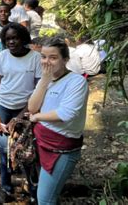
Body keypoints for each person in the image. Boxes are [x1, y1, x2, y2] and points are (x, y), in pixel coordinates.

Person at [28, 37, 89, 205]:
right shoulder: (46, 79)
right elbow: (32, 107)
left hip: (62, 148)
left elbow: (66, 113)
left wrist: (38, 117)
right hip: (42, 142)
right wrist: (44, 81)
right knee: (47, 193)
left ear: (66, 60)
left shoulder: (77, 81)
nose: (47, 62)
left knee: (45, 199)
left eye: (53, 57)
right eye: (44, 56)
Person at [0, 23, 42, 204]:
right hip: (3, 107)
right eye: (8, 39)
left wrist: (21, 116)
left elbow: (38, 90)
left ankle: (34, 191)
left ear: (23, 38)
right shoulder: (3, 56)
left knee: (26, 151)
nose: (11, 42)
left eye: (15, 38)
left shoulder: (35, 58)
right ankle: (5, 187)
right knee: (4, 149)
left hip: (26, 109)